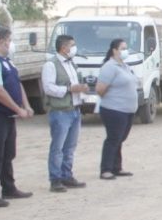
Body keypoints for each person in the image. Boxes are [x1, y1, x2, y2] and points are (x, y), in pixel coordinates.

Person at [0, 27, 34, 206]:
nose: (11, 44)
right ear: (2, 41)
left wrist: (26, 105)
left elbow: (17, 84)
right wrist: (18, 109)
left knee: (8, 153)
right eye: (10, 40)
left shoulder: (7, 61)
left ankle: (9, 187)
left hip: (9, 115)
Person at [43, 34, 89, 192]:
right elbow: (48, 88)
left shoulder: (72, 64)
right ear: (63, 48)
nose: (74, 48)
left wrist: (81, 90)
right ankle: (55, 179)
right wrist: (69, 89)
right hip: (60, 111)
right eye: (72, 45)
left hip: (75, 109)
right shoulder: (51, 65)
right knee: (58, 147)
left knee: (70, 147)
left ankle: (66, 175)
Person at [96, 39, 138, 180]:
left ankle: (116, 167)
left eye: (126, 48)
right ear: (114, 50)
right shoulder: (110, 67)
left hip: (127, 110)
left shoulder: (124, 66)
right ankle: (106, 169)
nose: (125, 51)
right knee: (113, 138)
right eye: (122, 48)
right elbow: (100, 89)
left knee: (120, 138)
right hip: (114, 109)